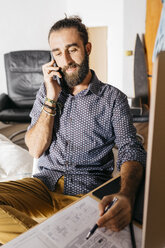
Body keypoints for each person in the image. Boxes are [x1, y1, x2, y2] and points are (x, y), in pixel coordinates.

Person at [0, 16, 146, 244]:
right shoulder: (47, 91)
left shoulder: (112, 98)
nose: (65, 60)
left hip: (85, 191)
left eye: (72, 49)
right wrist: (51, 98)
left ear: (87, 48)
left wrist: (126, 194)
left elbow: (131, 149)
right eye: (57, 52)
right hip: (43, 185)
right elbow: (35, 149)